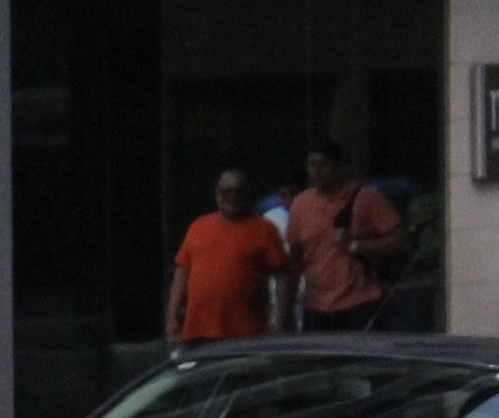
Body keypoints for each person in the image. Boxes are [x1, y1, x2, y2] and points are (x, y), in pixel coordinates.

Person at [287, 141, 406, 331]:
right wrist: (287, 309)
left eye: (324, 165)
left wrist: (356, 246)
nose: (316, 171)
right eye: (312, 165)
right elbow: (295, 257)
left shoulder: (366, 198)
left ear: (338, 167)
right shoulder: (301, 204)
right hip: (317, 305)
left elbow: (399, 240)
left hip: (360, 301)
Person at [166, 169, 290, 344]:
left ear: (247, 194)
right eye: (226, 191)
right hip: (197, 331)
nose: (232, 197)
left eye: (238, 191)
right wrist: (172, 321)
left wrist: (279, 324)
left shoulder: (264, 229)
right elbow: (181, 274)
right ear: (217, 194)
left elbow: (282, 278)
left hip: (246, 333)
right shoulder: (198, 227)